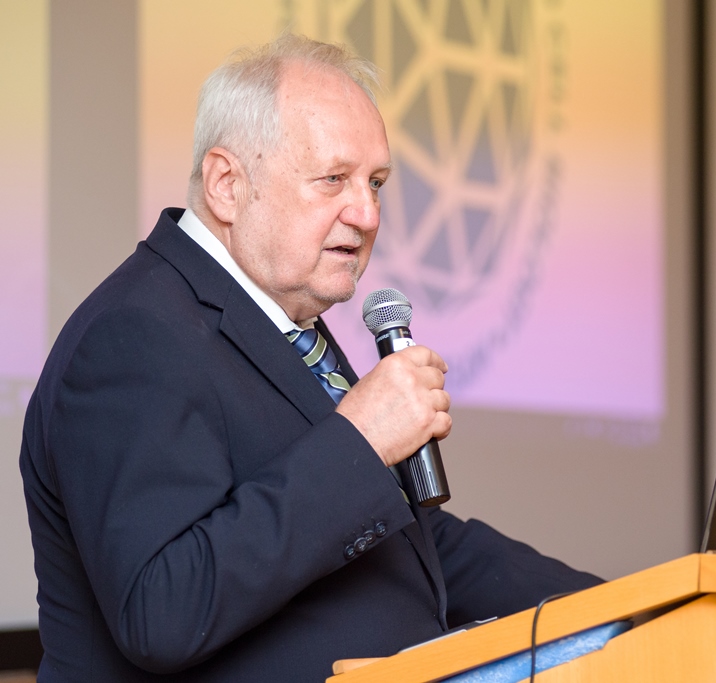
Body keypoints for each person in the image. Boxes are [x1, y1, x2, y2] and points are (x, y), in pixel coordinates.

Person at [20, 34, 600, 682]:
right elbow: (163, 607)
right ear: (226, 184)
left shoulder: (281, 324)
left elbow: (407, 548)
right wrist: (361, 440)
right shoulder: (134, 334)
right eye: (333, 179)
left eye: (375, 183)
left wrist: (629, 603)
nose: (368, 213)